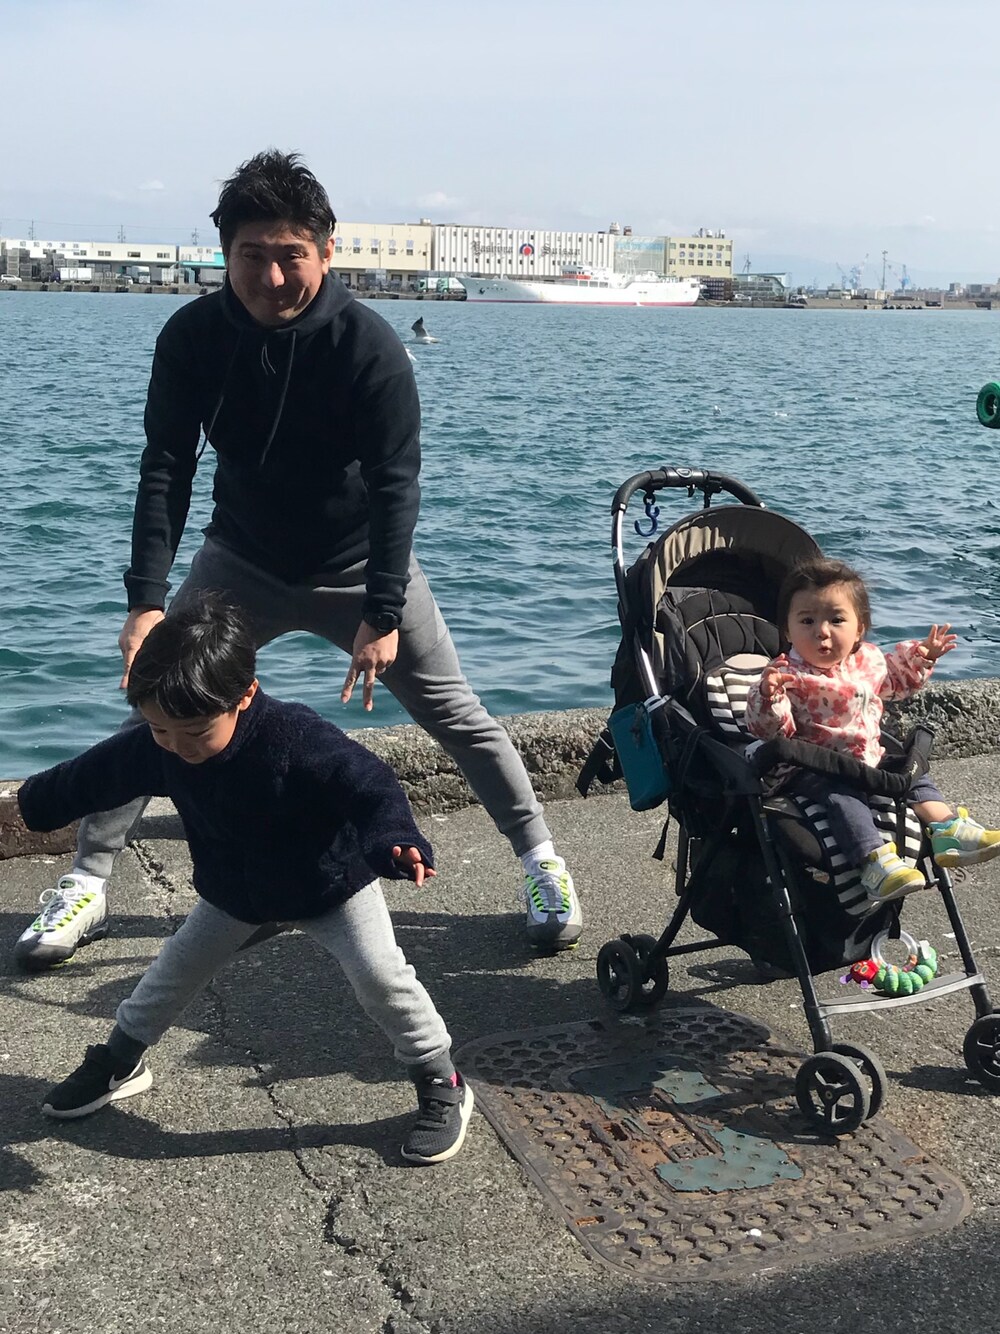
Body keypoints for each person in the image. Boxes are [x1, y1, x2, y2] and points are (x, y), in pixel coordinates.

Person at [15, 148, 581, 970]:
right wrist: (146, 601)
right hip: (240, 561)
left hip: (359, 564)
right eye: (253, 255)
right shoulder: (193, 337)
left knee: (456, 712)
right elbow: (165, 469)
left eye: (292, 255)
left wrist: (383, 611)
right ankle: (88, 880)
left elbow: (396, 485)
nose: (273, 277)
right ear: (224, 253)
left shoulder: (367, 346)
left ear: (325, 250)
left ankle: (541, 862)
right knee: (160, 706)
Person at [17, 598, 473, 1163]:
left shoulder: (294, 736)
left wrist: (395, 841)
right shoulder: (160, 744)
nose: (178, 747)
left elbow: (369, 785)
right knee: (169, 975)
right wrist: (35, 802)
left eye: (195, 732)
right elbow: (90, 775)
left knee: (381, 978)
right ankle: (119, 1061)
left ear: (245, 696)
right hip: (236, 893)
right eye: (159, 729)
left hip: (330, 886)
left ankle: (440, 1078)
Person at [745, 556, 1000, 904]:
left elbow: (896, 681)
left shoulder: (867, 660)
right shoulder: (788, 673)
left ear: (859, 629)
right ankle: (873, 860)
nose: (822, 631)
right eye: (807, 621)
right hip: (813, 767)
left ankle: (947, 829)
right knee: (842, 798)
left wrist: (922, 656)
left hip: (868, 757)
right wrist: (770, 696)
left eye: (836, 620)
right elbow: (770, 731)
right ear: (788, 631)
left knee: (912, 773)